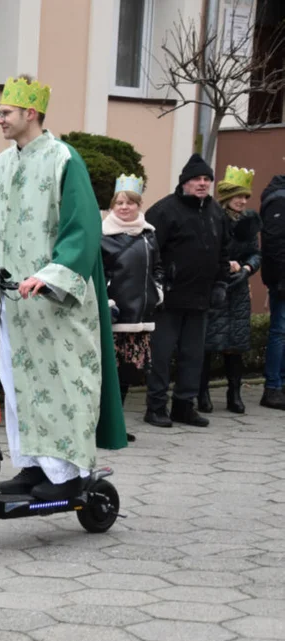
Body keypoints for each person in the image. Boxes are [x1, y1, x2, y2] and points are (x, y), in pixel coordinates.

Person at [0, 75, 127, 501]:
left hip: (55, 304)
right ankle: (31, 466)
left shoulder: (64, 160)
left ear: (31, 113)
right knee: (16, 384)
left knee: (63, 384)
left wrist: (50, 276)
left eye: (5, 113)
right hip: (14, 302)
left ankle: (64, 473)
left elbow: (82, 229)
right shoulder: (1, 165)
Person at [143, 154, 230, 428]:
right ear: (184, 183)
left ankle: (184, 405)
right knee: (161, 355)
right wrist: (157, 286)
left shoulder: (217, 213)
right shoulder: (164, 210)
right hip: (168, 299)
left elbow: (224, 252)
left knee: (193, 356)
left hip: (200, 298)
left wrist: (220, 284)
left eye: (206, 179)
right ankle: (156, 407)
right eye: (196, 179)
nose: (202, 184)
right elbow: (149, 250)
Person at [100, 175, 162, 443]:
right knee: (106, 374)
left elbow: (158, 267)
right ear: (112, 206)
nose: (124, 207)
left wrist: (158, 291)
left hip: (139, 317)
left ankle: (116, 424)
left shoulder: (149, 235)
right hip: (114, 315)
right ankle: (98, 424)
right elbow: (98, 274)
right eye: (120, 203)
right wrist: (107, 301)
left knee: (125, 373)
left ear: (139, 205)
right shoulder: (102, 237)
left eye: (130, 203)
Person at [199, 166, 261, 414]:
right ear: (226, 197)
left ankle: (234, 393)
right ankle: (201, 393)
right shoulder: (212, 219)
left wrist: (247, 267)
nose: (242, 201)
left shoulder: (249, 222)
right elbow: (205, 251)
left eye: (245, 197)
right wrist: (225, 265)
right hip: (216, 288)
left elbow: (255, 253)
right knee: (207, 344)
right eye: (238, 196)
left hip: (237, 292)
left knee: (235, 346)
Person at [258, 174, 285, 410]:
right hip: (282, 280)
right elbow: (274, 242)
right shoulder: (278, 199)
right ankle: (273, 387)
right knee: (280, 331)